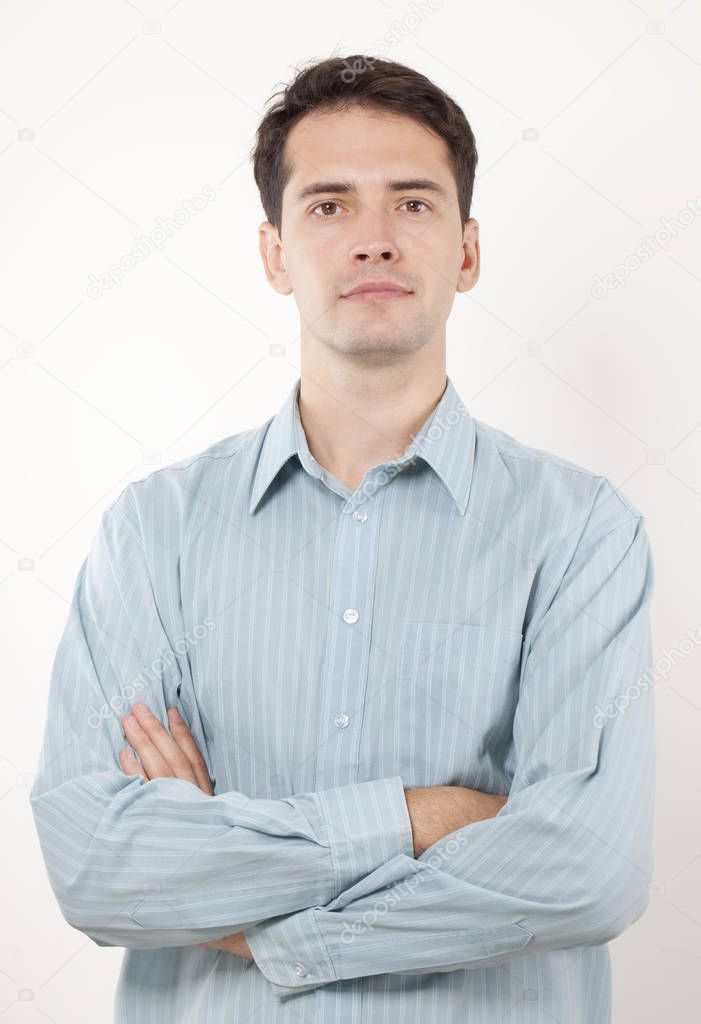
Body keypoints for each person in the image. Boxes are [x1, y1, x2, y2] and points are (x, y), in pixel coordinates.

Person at [30, 54, 656, 1023]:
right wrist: (424, 815)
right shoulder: (154, 533)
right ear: (274, 253)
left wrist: (261, 921)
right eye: (327, 206)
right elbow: (99, 865)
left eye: (411, 203)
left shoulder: (579, 532)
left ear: (467, 249)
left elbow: (586, 869)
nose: (372, 240)